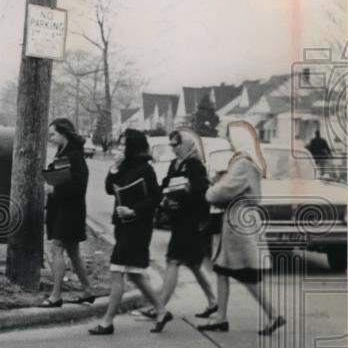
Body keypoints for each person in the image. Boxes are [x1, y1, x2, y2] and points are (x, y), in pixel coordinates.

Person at [198, 121, 285, 335]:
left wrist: (212, 190)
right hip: (240, 219)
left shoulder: (243, 163)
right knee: (222, 269)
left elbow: (221, 192)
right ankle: (221, 317)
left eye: (229, 137)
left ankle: (274, 315)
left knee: (244, 273)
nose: (228, 141)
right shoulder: (251, 160)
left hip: (239, 223)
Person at [90, 129, 170, 335]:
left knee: (117, 269)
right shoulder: (124, 166)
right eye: (120, 144)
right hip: (122, 225)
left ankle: (108, 321)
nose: (121, 148)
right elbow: (110, 189)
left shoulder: (145, 168)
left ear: (134, 147)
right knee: (135, 274)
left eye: (125, 145)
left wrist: (134, 210)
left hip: (138, 227)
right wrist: (113, 169)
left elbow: (155, 198)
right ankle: (161, 311)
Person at [151, 129, 218, 319]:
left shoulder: (196, 166)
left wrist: (188, 191)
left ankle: (159, 305)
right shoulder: (175, 164)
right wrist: (164, 200)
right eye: (171, 145)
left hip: (191, 222)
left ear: (187, 145)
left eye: (176, 145)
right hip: (177, 219)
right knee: (193, 263)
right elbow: (166, 184)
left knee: (173, 260)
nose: (172, 149)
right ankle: (213, 301)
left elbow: (201, 195)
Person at [41, 118, 97, 306]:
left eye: (53, 134)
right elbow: (60, 175)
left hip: (70, 210)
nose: (50, 137)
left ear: (63, 133)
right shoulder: (64, 152)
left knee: (57, 247)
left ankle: (56, 296)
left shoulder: (75, 155)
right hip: (63, 208)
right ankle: (88, 290)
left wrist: (54, 189)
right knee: (73, 251)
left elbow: (80, 185)